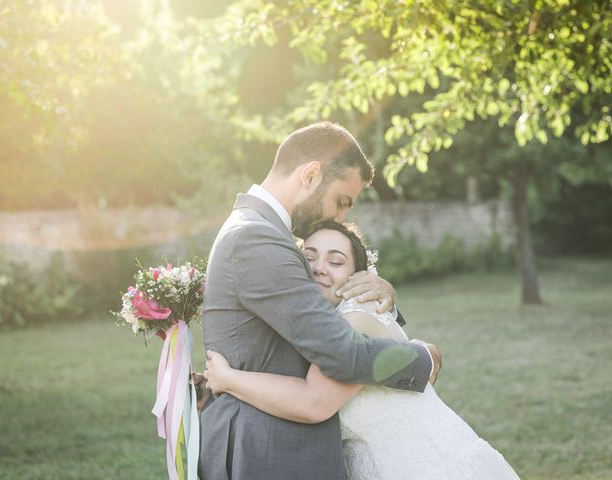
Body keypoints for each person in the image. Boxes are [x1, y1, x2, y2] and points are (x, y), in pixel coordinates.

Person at [200, 122, 441, 480]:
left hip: (274, 443)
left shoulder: (259, 230)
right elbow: (341, 352)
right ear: (311, 176)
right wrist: (423, 358)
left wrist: (382, 303)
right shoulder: (257, 238)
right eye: (341, 202)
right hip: (265, 451)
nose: (342, 218)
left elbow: (314, 311)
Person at [204, 221, 521, 480]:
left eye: (335, 261)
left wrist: (227, 378)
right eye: (308, 257)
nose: (318, 268)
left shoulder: (356, 316)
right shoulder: (317, 325)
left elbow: (314, 402)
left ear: (359, 276)